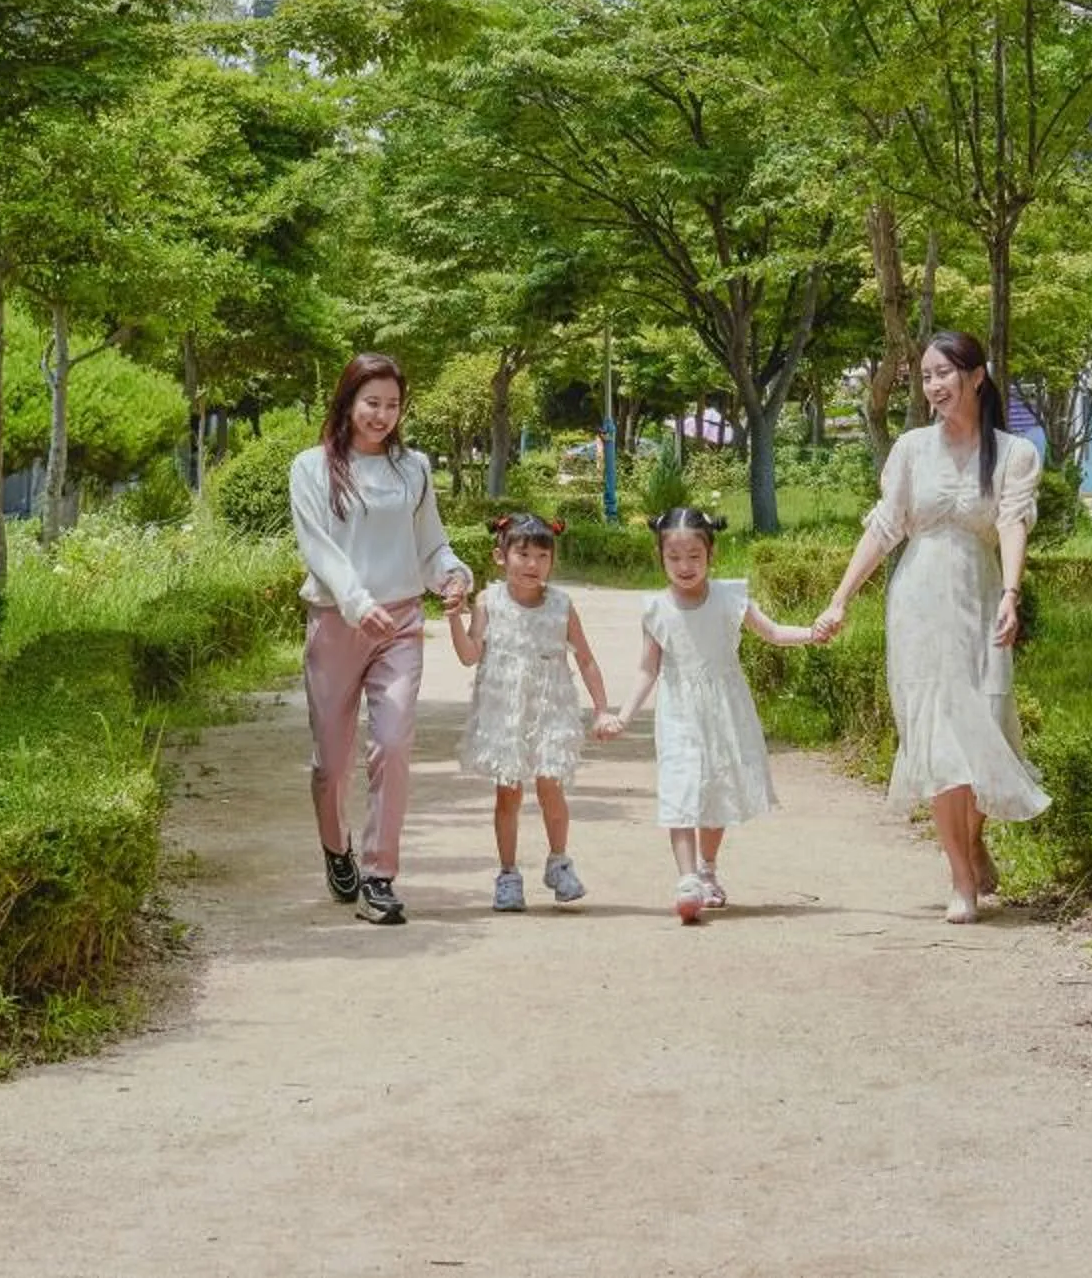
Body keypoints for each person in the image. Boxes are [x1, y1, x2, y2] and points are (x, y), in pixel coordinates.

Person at [810, 329, 1048, 924]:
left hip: (980, 599)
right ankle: (961, 879)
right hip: (918, 605)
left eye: (944, 373)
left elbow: (1015, 523)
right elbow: (886, 527)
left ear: (976, 376)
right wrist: (840, 599)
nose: (934, 385)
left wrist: (1013, 594)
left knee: (985, 731)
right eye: (926, 376)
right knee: (942, 744)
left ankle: (972, 840)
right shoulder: (912, 449)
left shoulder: (1014, 454)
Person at [288, 353, 471, 926]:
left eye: (393, 405)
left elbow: (430, 543)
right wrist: (356, 602)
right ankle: (335, 847)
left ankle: (381, 874)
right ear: (347, 402)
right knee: (332, 763)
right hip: (337, 620)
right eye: (372, 403)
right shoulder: (312, 468)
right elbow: (318, 547)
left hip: (399, 624)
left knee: (392, 743)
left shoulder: (412, 469)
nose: (382, 416)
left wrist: (453, 574)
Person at [607, 506, 828, 924]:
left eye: (694, 556)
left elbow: (774, 632)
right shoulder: (655, 609)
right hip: (678, 713)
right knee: (680, 787)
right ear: (660, 557)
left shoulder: (731, 597)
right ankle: (686, 878)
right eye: (674, 557)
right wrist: (623, 715)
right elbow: (647, 668)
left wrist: (811, 634)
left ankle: (707, 867)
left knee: (714, 791)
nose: (685, 566)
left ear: (711, 553)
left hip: (724, 709)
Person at [445, 511, 618, 913]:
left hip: (551, 709)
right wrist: (456, 618)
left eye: (542, 556)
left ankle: (559, 862)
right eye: (522, 554)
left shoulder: (560, 604)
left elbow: (587, 659)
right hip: (504, 713)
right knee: (508, 793)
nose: (532, 564)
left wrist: (602, 709)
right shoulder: (488, 602)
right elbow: (470, 655)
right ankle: (508, 874)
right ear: (500, 556)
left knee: (551, 787)